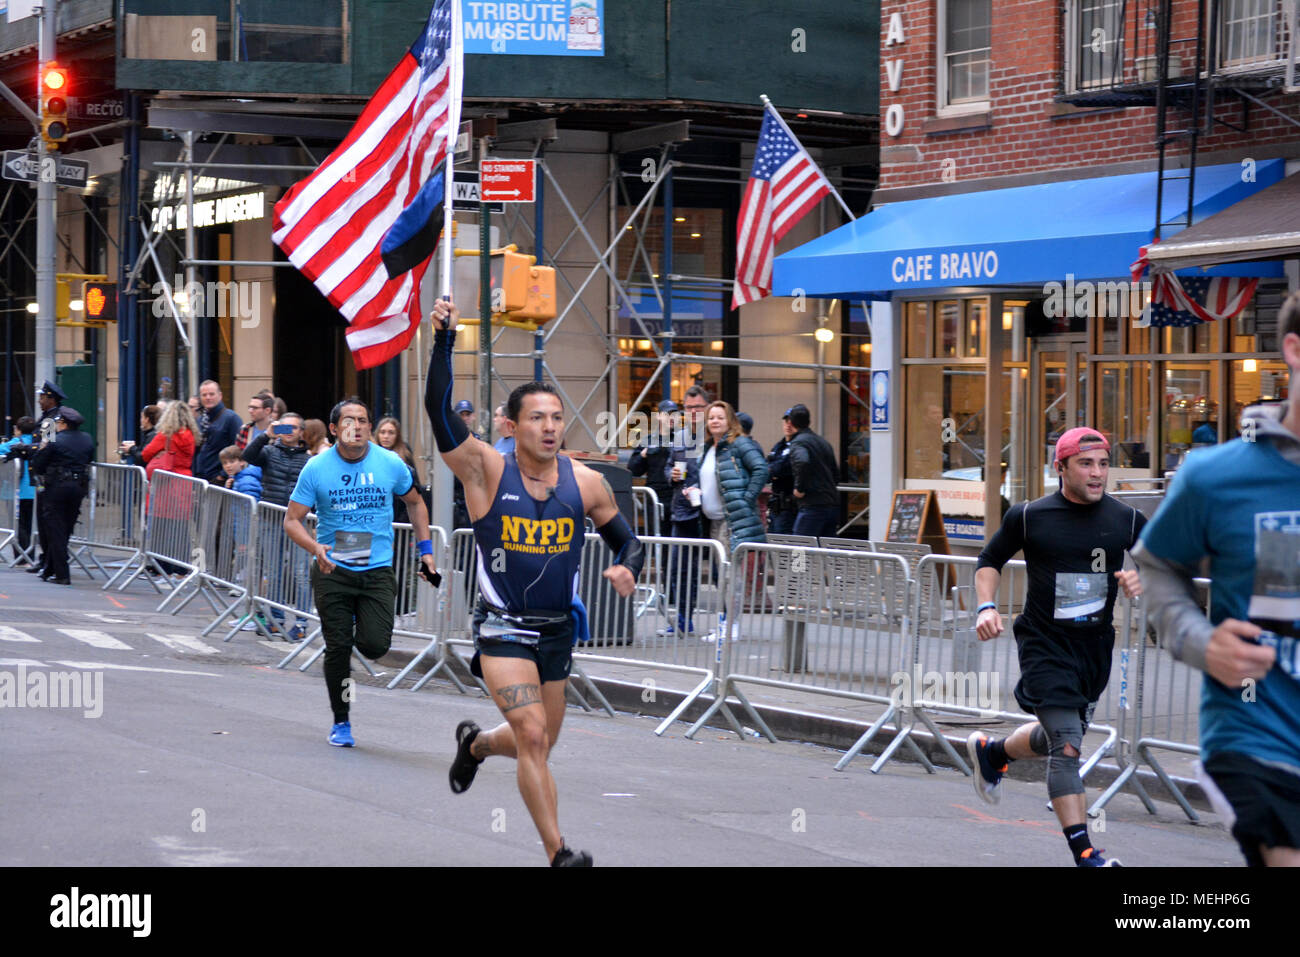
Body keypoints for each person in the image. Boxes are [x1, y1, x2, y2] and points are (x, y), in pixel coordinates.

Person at [427, 298, 642, 868]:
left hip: (555, 632)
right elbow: (438, 410)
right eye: (535, 418)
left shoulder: (587, 481)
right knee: (533, 734)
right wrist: (445, 340)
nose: (548, 427)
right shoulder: (485, 470)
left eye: (555, 418)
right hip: (502, 627)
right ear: (510, 425)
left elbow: (628, 540)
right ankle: (559, 855)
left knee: (537, 739)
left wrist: (628, 567)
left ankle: (475, 744)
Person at [1133, 292, 1300, 868]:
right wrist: (1203, 644)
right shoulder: (1218, 477)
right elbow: (1154, 567)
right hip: (1260, 734)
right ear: (1294, 350)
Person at [966, 427, 1145, 867]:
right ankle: (1086, 855)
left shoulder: (1126, 519)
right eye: (1086, 463)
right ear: (1059, 467)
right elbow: (989, 561)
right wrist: (986, 606)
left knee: (1057, 735)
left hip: (1094, 650)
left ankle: (993, 753)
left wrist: (1143, 578)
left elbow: (1168, 565)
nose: (1097, 472)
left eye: (1103, 463)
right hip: (1044, 645)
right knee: (1067, 745)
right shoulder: (1029, 517)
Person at [285, 396, 440, 748]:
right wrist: (315, 547)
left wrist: (426, 551)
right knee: (338, 647)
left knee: (374, 644)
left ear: (370, 427)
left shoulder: (391, 463)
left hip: (377, 570)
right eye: (349, 420)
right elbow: (292, 520)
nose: (357, 426)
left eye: (363, 420)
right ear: (335, 428)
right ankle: (341, 722)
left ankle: (357, 635)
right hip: (332, 569)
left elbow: (415, 502)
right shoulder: (317, 468)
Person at [683, 400, 768, 642]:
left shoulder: (740, 444)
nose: (715, 421)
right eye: (711, 418)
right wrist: (693, 491)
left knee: (730, 576)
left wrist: (747, 498)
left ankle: (731, 626)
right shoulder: (709, 447)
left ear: (730, 420)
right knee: (721, 575)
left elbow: (761, 469)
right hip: (713, 520)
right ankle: (724, 624)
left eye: (720, 417)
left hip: (732, 520)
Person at [243, 412, 312, 637]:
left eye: (293, 428)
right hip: (272, 518)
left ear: (302, 432)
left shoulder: (310, 459)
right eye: (284, 427)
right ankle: (276, 619)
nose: (289, 432)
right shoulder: (269, 452)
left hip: (299, 521)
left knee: (301, 572)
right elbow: (248, 455)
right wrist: (266, 435)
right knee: (273, 571)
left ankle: (301, 622)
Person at [660, 386, 712, 637]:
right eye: (688, 407)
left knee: (716, 568)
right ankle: (682, 620)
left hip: (710, 513)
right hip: (683, 511)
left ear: (707, 408)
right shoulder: (679, 437)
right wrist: (672, 475)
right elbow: (670, 467)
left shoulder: (715, 435)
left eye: (698, 407)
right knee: (680, 569)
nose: (692, 412)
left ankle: (727, 622)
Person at [29, 407, 95, 585]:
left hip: (57, 487)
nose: (56, 425)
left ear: (64, 424)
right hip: (78, 486)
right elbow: (89, 458)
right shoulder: (87, 439)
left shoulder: (54, 440)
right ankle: (50, 569)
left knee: (55, 529)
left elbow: (38, 464)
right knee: (65, 528)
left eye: (58, 422)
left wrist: (42, 450)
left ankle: (61, 574)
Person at [25, 380, 66, 576]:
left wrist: (24, 449)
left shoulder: (51, 420)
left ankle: (47, 561)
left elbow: (45, 447)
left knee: (45, 521)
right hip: (43, 476)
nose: (39, 400)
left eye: (42, 397)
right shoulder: (47, 417)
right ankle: (45, 560)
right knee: (42, 521)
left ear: (51, 399)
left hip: (47, 477)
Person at [786, 404, 840, 539]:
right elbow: (836, 472)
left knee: (800, 548)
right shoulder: (823, 442)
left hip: (812, 505)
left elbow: (802, 461)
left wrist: (799, 488)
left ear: (791, 422)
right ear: (809, 421)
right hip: (831, 503)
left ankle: (800, 562)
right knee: (827, 549)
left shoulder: (798, 443)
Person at [627, 399, 676, 532]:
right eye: (668, 414)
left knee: (675, 542)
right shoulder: (648, 441)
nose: (672, 418)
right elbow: (633, 469)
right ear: (659, 416)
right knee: (656, 539)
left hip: (675, 498)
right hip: (654, 498)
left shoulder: (682, 439)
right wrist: (644, 454)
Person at [0, 416, 37, 564]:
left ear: (18, 430)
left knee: (17, 525)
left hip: (16, 492)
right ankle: (30, 555)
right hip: (33, 491)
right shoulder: (38, 443)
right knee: (29, 525)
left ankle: (21, 557)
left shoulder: (14, 443)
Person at [193, 380, 243, 483]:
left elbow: (239, 449)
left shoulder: (231, 418)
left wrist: (222, 476)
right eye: (204, 395)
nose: (208, 398)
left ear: (220, 396)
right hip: (200, 480)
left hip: (220, 481)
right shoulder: (199, 420)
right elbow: (195, 450)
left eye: (211, 394)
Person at [375, 416, 423, 525]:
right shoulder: (370, 454)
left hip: (400, 512)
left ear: (397, 436)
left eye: (391, 433)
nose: (386, 436)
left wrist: (405, 517)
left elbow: (415, 485)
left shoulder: (404, 454)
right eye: (382, 432)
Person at [141, 400, 199, 479]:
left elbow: (145, 454)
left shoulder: (166, 435)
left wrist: (158, 453)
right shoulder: (191, 435)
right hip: (186, 479)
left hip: (167, 479)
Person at [766, 414, 797, 535]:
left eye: (792, 422)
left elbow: (781, 468)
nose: (788, 425)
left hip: (789, 505)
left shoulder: (798, 445)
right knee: (774, 543)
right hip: (775, 504)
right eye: (786, 422)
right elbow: (767, 469)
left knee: (785, 545)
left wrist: (774, 470)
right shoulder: (779, 445)